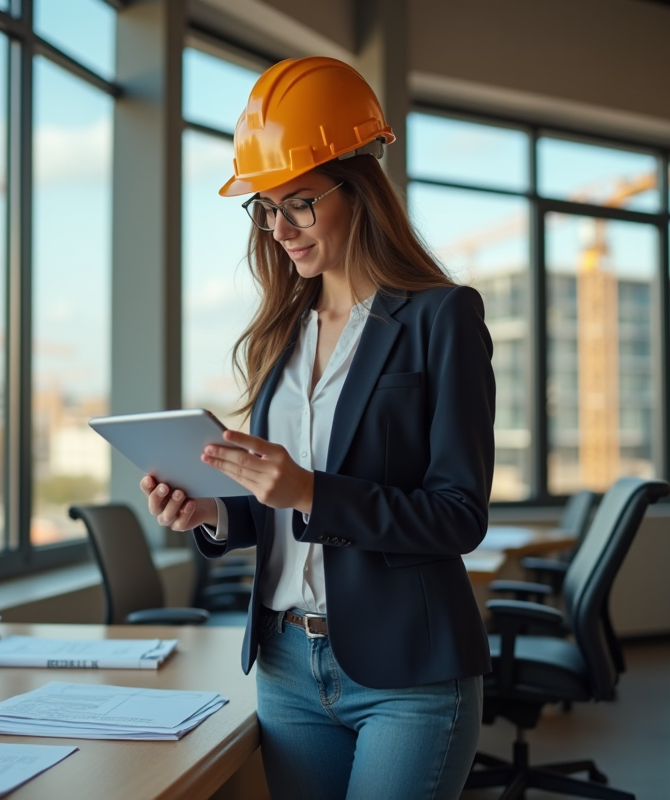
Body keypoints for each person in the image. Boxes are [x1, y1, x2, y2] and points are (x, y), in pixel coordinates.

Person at [141, 56, 494, 800]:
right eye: (266, 208)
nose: (279, 229)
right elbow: (283, 504)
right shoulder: (283, 330)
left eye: (299, 202)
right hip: (286, 667)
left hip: (409, 671)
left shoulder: (440, 317)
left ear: (361, 189)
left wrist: (307, 489)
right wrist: (213, 510)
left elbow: (459, 515)